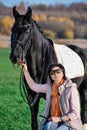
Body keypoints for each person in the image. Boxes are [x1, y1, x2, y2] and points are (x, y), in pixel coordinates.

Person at [19, 62, 83, 130]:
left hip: (69, 123)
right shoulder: (49, 87)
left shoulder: (71, 89)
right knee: (47, 127)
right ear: (50, 76)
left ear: (63, 73)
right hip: (54, 120)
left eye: (58, 71)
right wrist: (25, 71)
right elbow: (33, 86)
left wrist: (59, 118)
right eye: (52, 72)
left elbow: (75, 113)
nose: (55, 74)